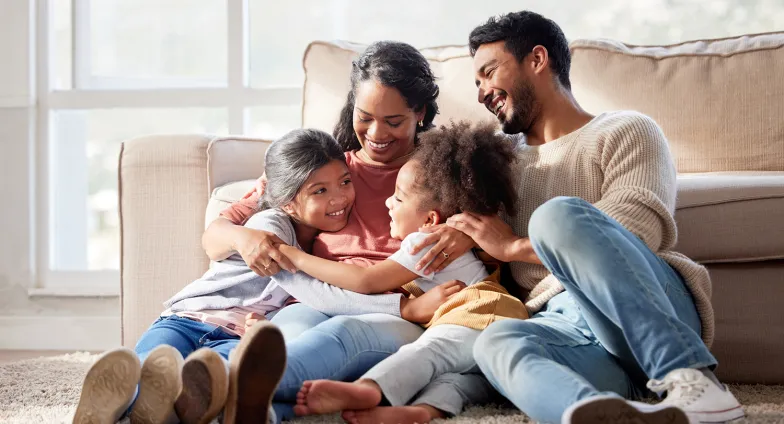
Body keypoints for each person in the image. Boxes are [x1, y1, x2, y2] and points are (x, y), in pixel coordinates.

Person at [412, 10, 744, 424]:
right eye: (476, 83)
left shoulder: (626, 130)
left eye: (489, 72)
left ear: (537, 59)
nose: (481, 93)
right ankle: (592, 414)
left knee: (557, 216)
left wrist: (514, 246)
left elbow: (635, 228)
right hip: (565, 328)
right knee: (496, 342)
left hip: (647, 310)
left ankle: (692, 379)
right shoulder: (497, 159)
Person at [201, 41, 494, 423]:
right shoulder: (324, 167)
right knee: (287, 336)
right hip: (315, 296)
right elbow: (215, 236)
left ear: (419, 112)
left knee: (342, 335)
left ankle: (217, 390)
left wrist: (467, 233)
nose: (376, 133)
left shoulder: (438, 173)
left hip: (391, 311)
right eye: (365, 116)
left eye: (393, 121)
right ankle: (256, 409)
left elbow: (496, 232)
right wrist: (245, 238)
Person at [73, 128, 356, 424]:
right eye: (320, 191)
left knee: (212, 377)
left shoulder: (333, 248)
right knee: (154, 364)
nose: (339, 198)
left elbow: (298, 311)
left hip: (238, 335)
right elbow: (299, 284)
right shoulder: (271, 225)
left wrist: (270, 327)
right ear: (287, 200)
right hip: (188, 318)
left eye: (345, 182)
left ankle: (162, 408)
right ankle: (114, 400)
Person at [276, 122, 527, 424]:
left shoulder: (424, 241)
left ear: (430, 219)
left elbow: (365, 281)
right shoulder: (443, 236)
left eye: (398, 198)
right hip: (492, 320)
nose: (387, 202)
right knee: (461, 377)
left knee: (429, 352)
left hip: (481, 312)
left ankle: (370, 389)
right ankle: (421, 412)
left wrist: (296, 258)